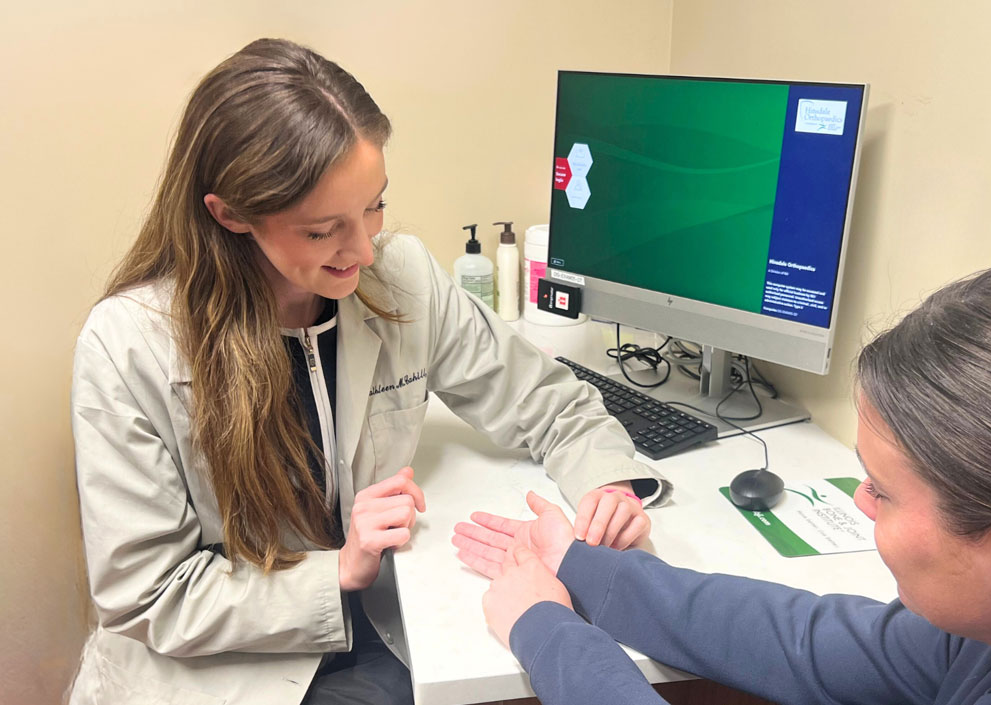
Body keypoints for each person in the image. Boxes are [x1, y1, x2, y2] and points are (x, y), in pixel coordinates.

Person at [69, 38, 669, 705]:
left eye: (374, 205)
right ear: (230, 213)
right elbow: (148, 595)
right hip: (219, 672)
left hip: (381, 639)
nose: (362, 250)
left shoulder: (401, 275)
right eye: (324, 229)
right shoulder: (128, 346)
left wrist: (609, 489)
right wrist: (340, 571)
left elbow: (549, 402)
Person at [453, 259, 991, 704]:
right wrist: (581, 567)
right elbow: (807, 637)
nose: (858, 498)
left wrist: (543, 628)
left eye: (883, 488)